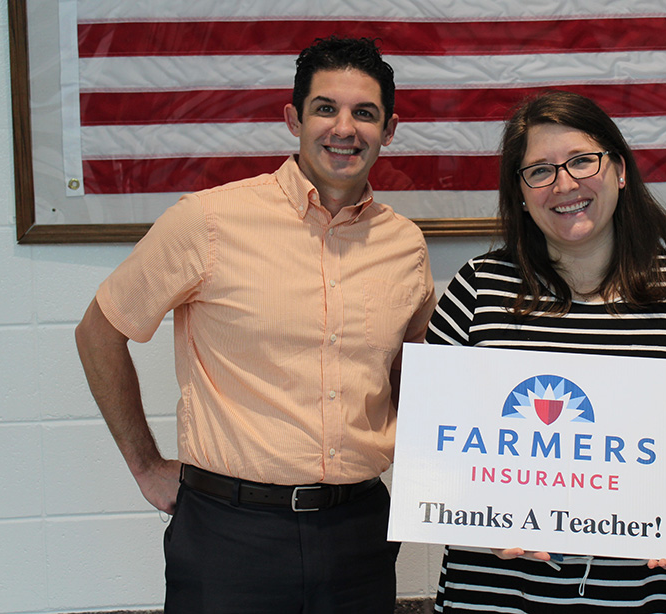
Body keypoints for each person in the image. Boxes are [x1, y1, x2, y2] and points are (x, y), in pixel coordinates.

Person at [75, 36, 435, 614]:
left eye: (364, 113)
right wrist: (144, 465)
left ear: (389, 130)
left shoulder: (405, 246)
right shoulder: (210, 221)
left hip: (359, 532)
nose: (345, 127)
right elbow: (99, 330)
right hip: (228, 534)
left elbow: (407, 376)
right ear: (294, 118)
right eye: (326, 108)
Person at [426, 90, 666, 613]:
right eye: (539, 170)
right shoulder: (476, 290)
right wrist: (477, 507)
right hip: (499, 588)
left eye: (583, 161)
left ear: (620, 170)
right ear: (519, 191)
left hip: (654, 590)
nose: (565, 184)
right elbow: (430, 434)